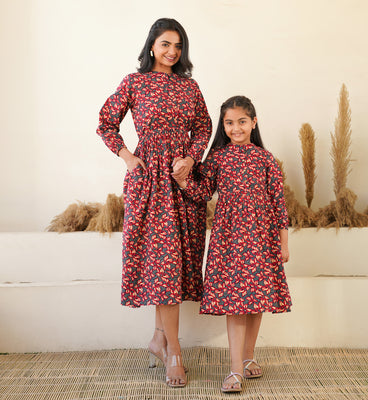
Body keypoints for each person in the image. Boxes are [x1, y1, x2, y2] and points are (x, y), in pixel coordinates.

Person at [96, 18, 212, 388]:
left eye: (178, 46)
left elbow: (205, 127)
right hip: (148, 181)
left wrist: (191, 159)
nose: (172, 52)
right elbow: (105, 122)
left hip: (181, 181)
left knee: (177, 261)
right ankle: (174, 350)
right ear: (151, 47)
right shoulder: (134, 82)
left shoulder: (189, 86)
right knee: (162, 264)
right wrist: (128, 156)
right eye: (165, 44)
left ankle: (159, 339)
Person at [172, 96, 292, 393]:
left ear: (254, 121)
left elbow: (279, 205)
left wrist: (283, 244)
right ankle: (235, 370)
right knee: (236, 304)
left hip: (262, 239)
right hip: (229, 239)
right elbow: (201, 193)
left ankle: (249, 357)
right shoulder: (217, 159)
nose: (235, 128)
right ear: (222, 125)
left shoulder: (266, 160)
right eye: (229, 123)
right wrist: (182, 180)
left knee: (256, 301)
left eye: (241, 121)